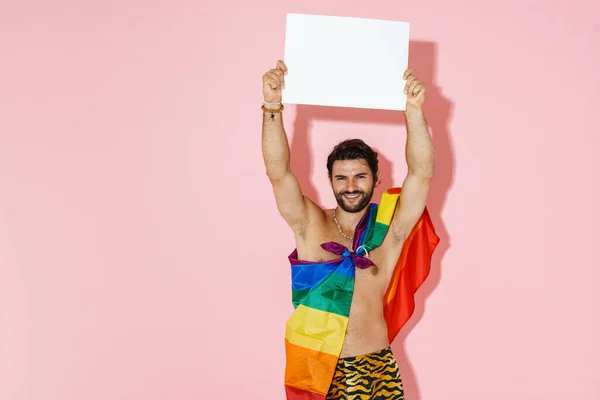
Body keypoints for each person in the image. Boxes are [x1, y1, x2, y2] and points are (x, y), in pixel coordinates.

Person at [261, 60, 439, 400]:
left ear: (375, 179)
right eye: (341, 178)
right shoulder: (310, 223)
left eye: (360, 176)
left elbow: (421, 174)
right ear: (330, 181)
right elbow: (278, 173)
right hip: (320, 374)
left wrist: (413, 111)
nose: (351, 186)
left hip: (378, 372)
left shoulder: (388, 231)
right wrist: (272, 105)